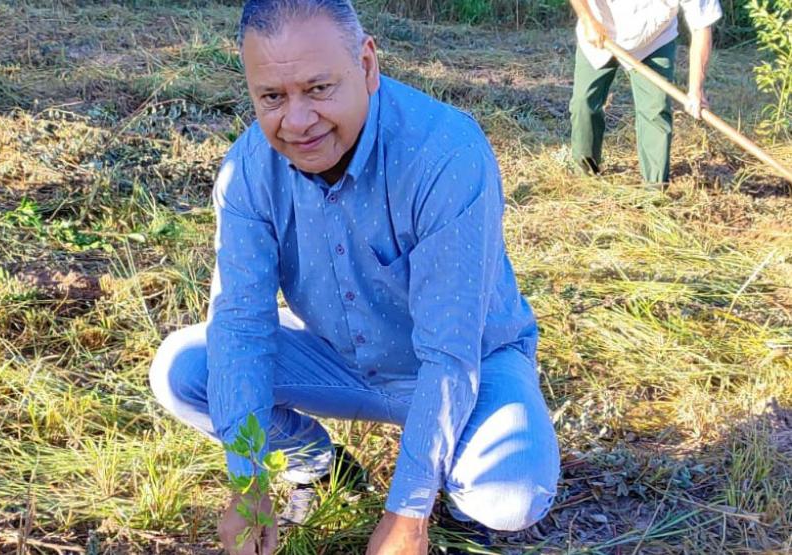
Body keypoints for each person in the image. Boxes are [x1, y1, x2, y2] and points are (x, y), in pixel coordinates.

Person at [149, 1, 560, 553]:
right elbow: (241, 325)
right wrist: (248, 483)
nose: (296, 122)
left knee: (509, 496)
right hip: (338, 358)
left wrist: (408, 514)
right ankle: (315, 465)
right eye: (272, 97)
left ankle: (448, 485)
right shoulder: (247, 170)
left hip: (469, 363)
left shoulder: (444, 154)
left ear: (367, 65)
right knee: (184, 372)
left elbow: (449, 350)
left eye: (318, 89)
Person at [568, 0, 722, 183]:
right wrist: (587, 19)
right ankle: (586, 175)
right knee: (584, 104)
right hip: (599, 31)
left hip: (654, 40)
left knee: (655, 110)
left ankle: (654, 187)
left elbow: (702, 26)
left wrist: (695, 89)